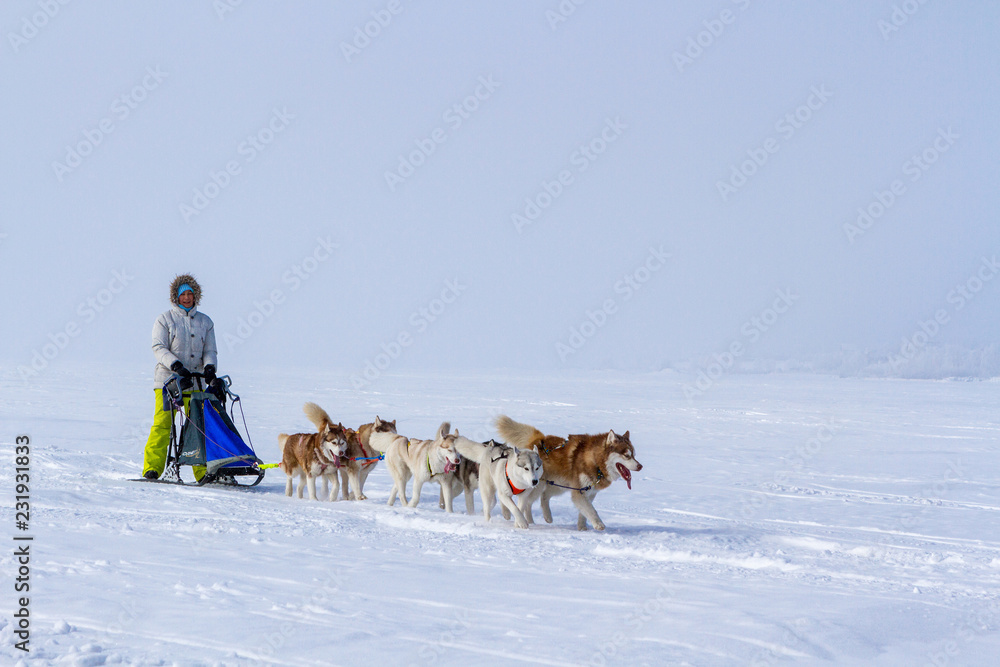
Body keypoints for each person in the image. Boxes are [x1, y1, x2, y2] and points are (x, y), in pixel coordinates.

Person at [142, 274, 219, 480]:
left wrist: (210, 369)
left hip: (195, 382)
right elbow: (158, 347)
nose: (186, 298)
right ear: (175, 296)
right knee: (163, 424)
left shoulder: (205, 322)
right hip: (169, 382)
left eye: (190, 294)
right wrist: (176, 365)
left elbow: (210, 351)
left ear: (196, 297)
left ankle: (202, 471)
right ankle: (153, 468)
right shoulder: (165, 319)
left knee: (198, 426)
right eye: (182, 294)